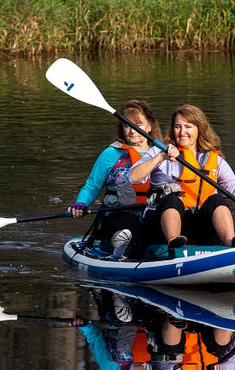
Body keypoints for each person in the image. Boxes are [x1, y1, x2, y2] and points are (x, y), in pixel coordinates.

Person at [129, 104, 235, 250]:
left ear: (199, 129)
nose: (182, 132)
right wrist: (160, 157)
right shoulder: (159, 151)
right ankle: (174, 242)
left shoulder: (214, 159)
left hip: (198, 225)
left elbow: (234, 188)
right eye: (178, 127)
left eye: (188, 126)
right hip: (160, 226)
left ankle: (231, 243)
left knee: (217, 199)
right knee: (172, 199)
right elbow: (133, 177)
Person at [68, 99, 164, 258]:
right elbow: (92, 186)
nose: (132, 131)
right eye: (127, 126)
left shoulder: (162, 154)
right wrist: (81, 203)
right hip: (117, 212)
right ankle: (120, 245)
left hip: (150, 212)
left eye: (137, 125)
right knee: (126, 226)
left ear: (150, 126)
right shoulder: (111, 154)